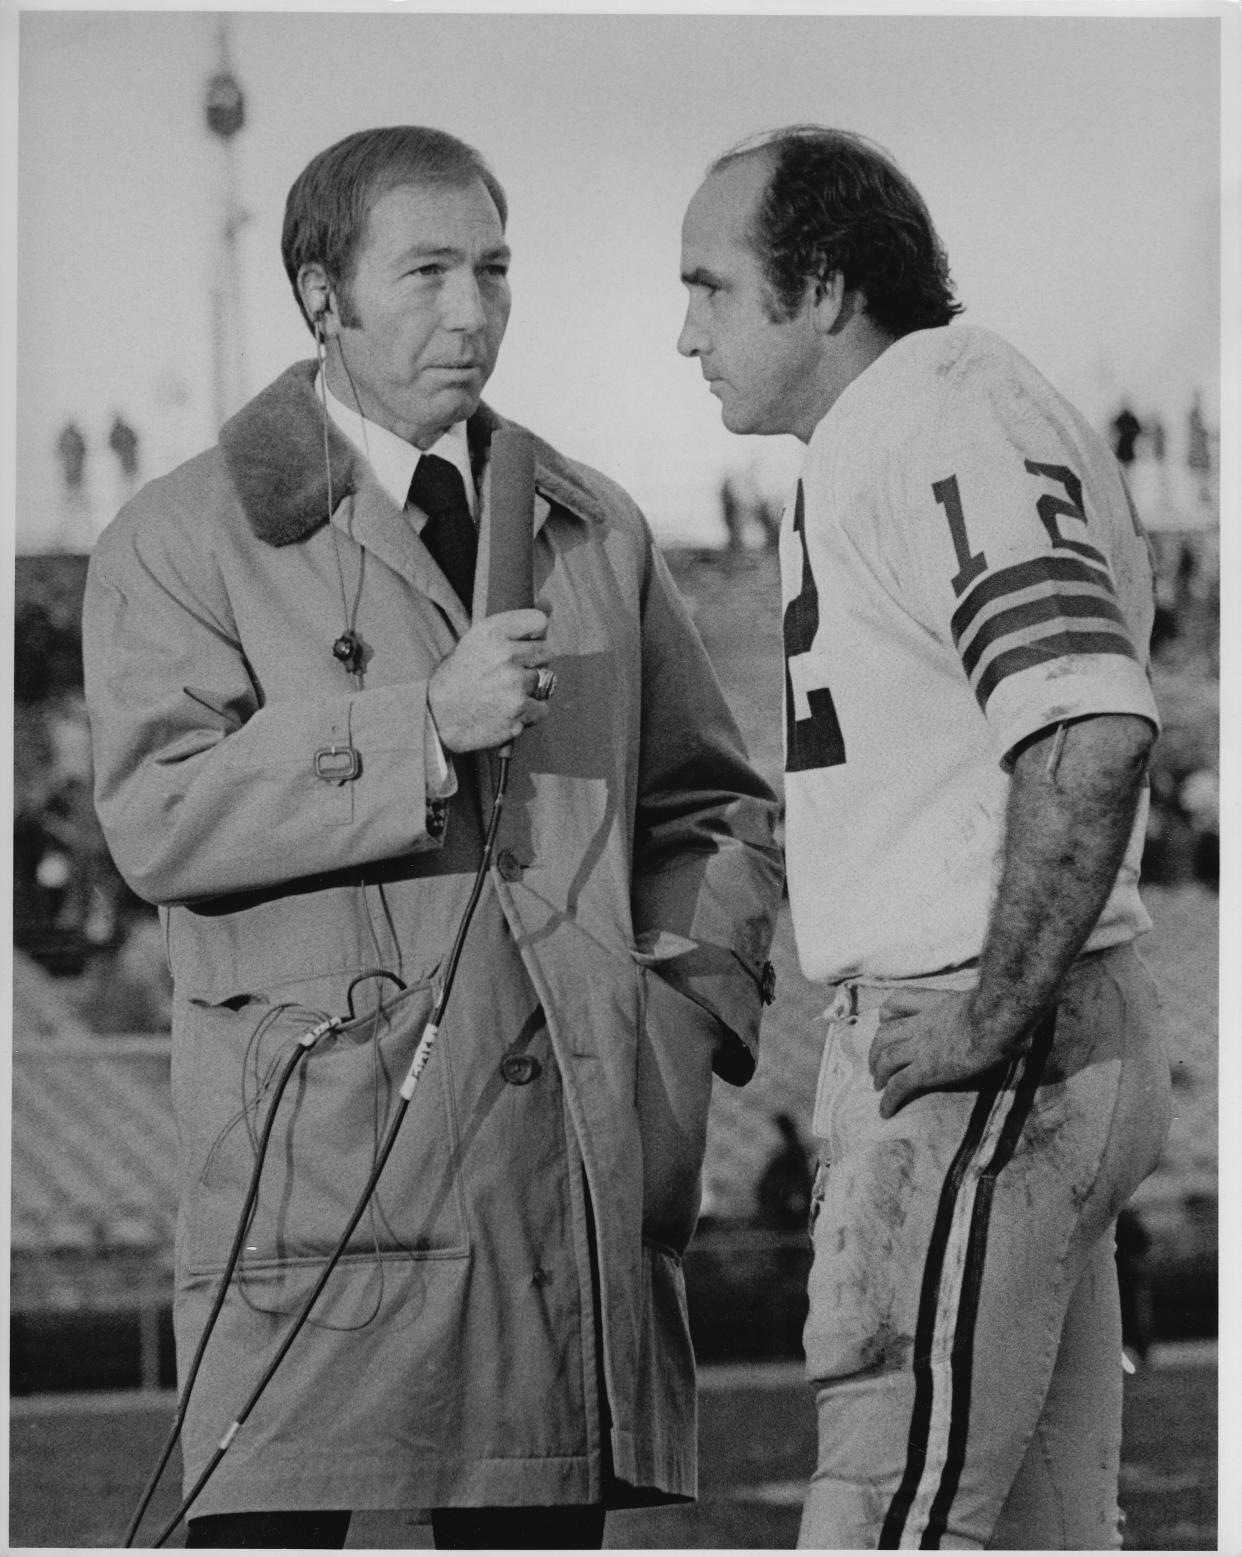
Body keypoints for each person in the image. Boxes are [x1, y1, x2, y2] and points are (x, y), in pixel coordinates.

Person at [83, 125, 783, 1549]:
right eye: (425, 272)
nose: (470, 312)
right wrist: (418, 727)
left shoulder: (593, 525)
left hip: (553, 1195)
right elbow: (157, 809)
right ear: (320, 297)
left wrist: (679, 1020)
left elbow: (712, 805)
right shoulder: (181, 534)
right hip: (323, 1189)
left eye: (494, 268)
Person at [678, 125, 1171, 1549]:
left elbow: (1089, 727)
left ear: (821, 287)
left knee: (888, 1512)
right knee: (1038, 1530)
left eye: (712, 286)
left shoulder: (946, 412)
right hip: (1014, 1041)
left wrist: (988, 1009)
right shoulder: (897, 425)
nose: (683, 331)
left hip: (982, 1047)